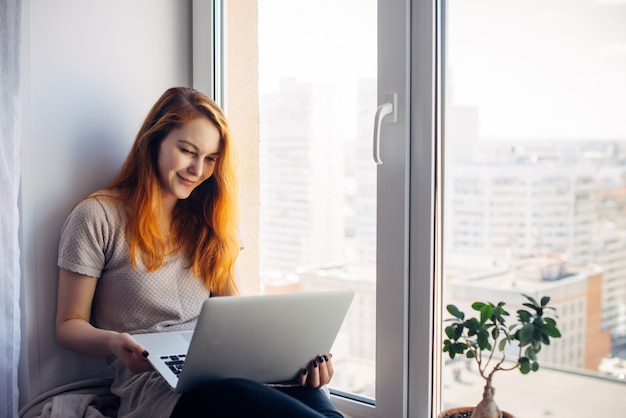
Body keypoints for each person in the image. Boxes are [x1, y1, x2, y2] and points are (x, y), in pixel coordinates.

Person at [56, 87, 344, 418]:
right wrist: (114, 344)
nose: (198, 169)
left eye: (210, 159)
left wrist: (294, 360)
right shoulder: (97, 216)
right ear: (154, 142)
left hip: (232, 372)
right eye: (188, 151)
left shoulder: (211, 217)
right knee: (240, 395)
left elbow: (234, 315)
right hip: (157, 388)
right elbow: (68, 323)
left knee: (321, 407)